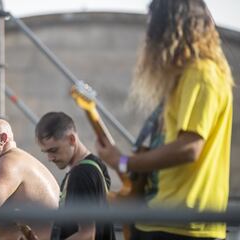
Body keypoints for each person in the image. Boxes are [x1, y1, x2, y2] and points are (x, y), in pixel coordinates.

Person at [96, 0, 234, 240]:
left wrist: (124, 161)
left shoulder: (201, 74)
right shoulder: (186, 76)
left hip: (182, 225)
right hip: (160, 218)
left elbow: (189, 148)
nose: (149, 37)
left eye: (153, 27)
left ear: (170, 29)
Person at [35, 112, 115, 240]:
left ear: (72, 139)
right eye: (46, 152)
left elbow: (87, 234)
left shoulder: (81, 174)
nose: (49, 158)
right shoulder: (95, 165)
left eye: (53, 150)